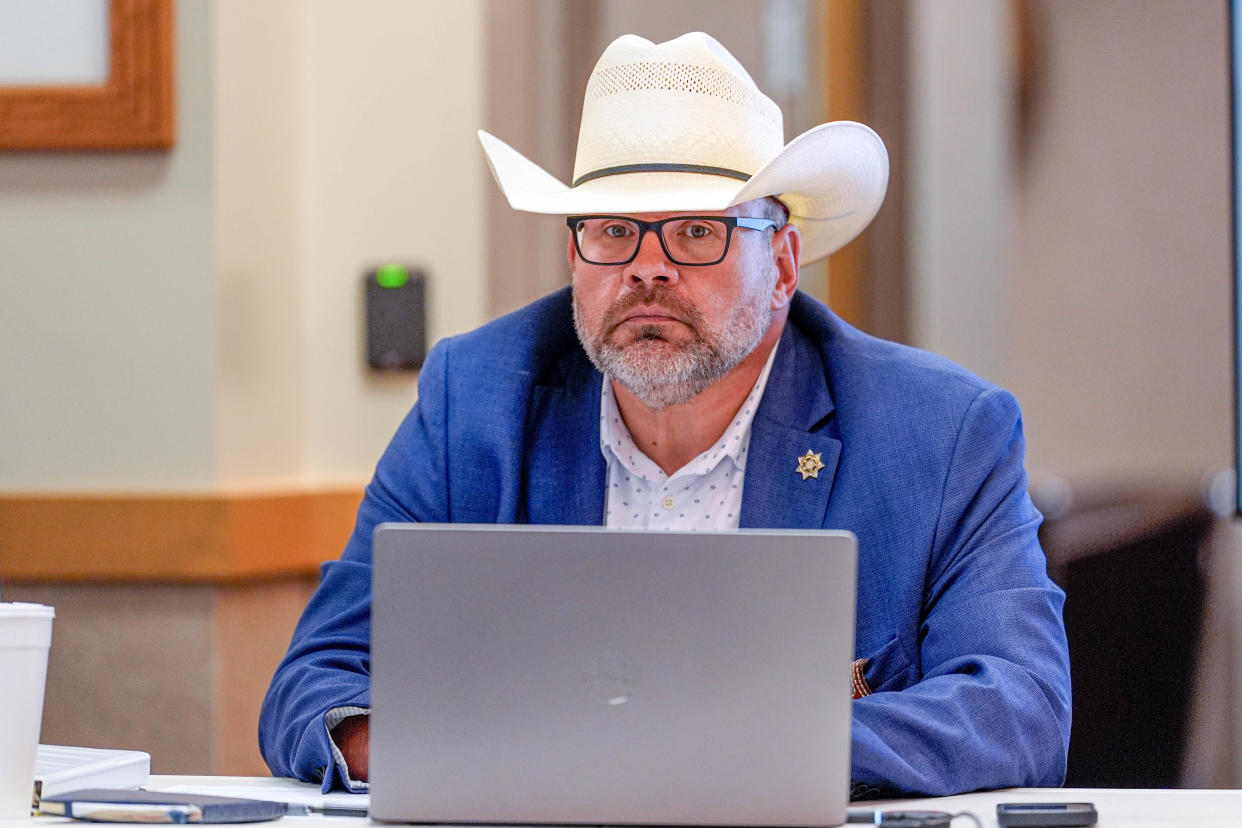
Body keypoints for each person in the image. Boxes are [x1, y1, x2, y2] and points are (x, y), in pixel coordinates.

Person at [259, 32, 1071, 799]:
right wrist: (427, 747)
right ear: (574, 256)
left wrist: (718, 752)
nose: (649, 269)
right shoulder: (472, 401)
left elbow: (1020, 704)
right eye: (614, 231)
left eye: (696, 231)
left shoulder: (941, 432)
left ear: (783, 263)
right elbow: (314, 681)